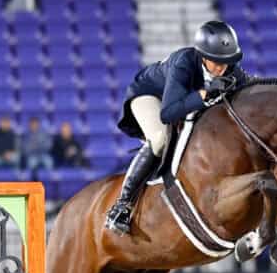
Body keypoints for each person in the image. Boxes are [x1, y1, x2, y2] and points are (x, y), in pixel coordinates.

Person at [105, 20, 250, 234]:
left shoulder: (230, 70)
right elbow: (168, 113)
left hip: (180, 103)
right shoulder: (184, 63)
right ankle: (122, 205)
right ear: (202, 56)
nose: (221, 68)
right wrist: (203, 95)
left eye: (226, 61)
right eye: (215, 61)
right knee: (160, 138)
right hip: (150, 96)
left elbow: (250, 87)